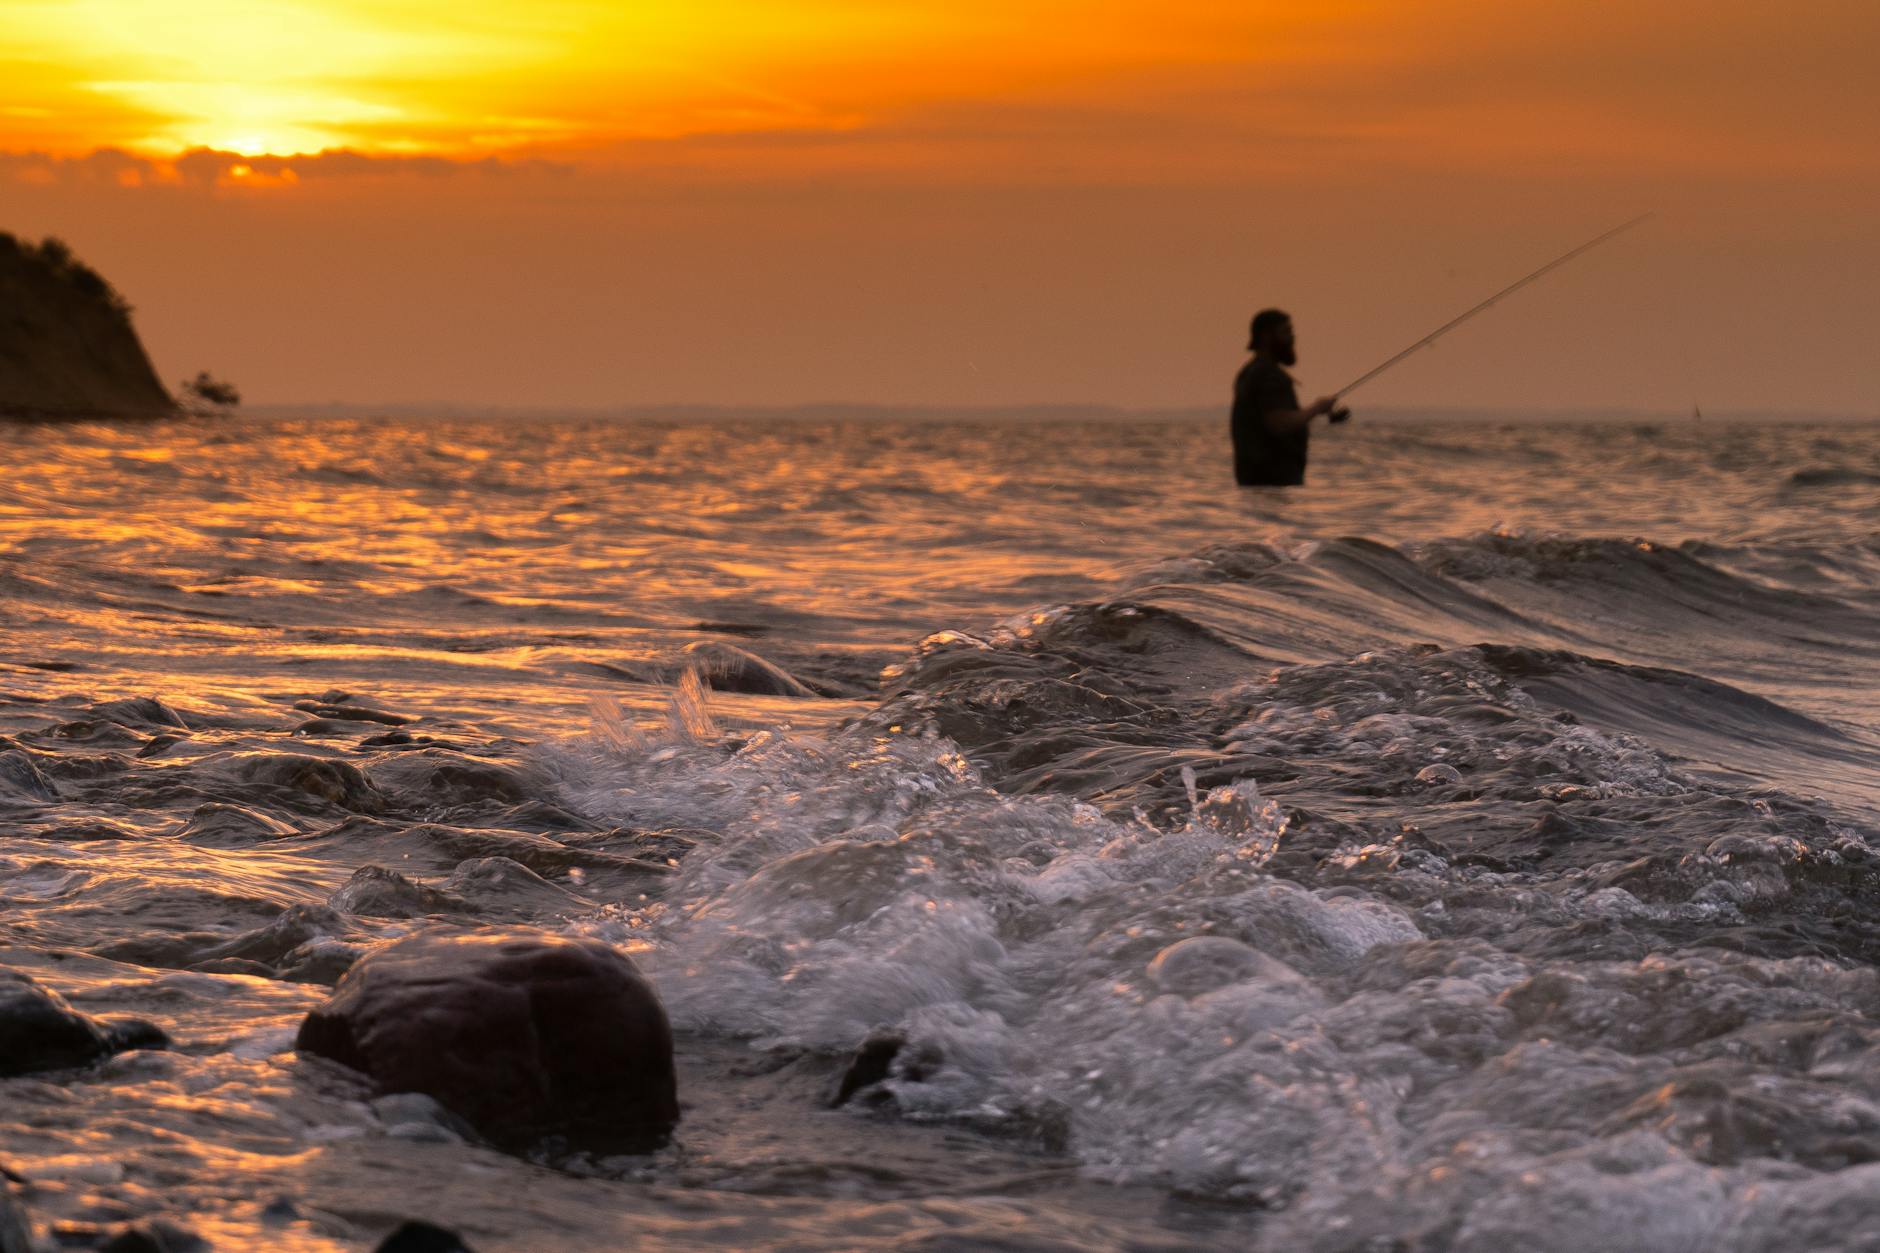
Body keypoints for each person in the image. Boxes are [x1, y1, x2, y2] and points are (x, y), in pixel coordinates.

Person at [1230, 308, 1347, 486]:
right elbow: (1278, 422)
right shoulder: (1269, 375)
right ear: (1266, 337)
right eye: (1286, 332)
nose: (1292, 338)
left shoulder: (1249, 372)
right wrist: (1316, 408)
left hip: (1255, 480)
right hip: (1273, 481)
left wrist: (1317, 410)